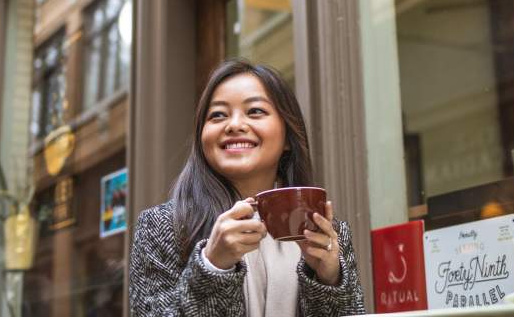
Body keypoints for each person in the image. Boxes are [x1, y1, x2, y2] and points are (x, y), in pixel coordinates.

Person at [129, 60, 366, 316]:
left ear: (287, 138)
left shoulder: (328, 234)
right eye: (218, 115)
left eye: (255, 111)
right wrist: (212, 266)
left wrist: (329, 280)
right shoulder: (163, 226)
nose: (234, 125)